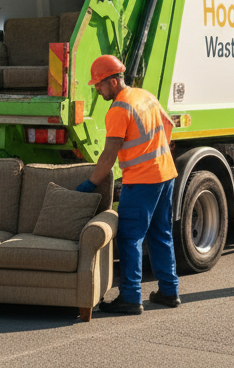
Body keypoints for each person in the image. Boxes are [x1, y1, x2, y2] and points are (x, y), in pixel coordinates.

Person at [76, 55, 180, 315]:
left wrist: (91, 183)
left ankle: (131, 297)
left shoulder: (119, 109)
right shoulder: (145, 96)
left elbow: (109, 154)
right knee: (161, 233)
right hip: (165, 173)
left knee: (130, 237)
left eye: (99, 85)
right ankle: (169, 291)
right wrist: (156, 152)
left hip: (142, 180)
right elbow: (168, 126)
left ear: (113, 81)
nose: (97, 90)